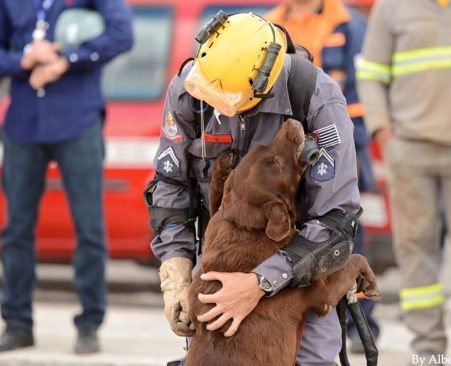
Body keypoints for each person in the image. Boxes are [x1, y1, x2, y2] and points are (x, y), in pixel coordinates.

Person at [148, 11, 362, 366]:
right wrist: (176, 273)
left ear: (263, 82)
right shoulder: (192, 89)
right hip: (221, 263)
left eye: (229, 101)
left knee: (313, 361)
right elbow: (170, 184)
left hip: (301, 268)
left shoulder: (316, 98)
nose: (220, 107)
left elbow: (336, 221)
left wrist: (259, 284)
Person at [357, 0, 451, 364]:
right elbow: (369, 72)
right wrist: (384, 135)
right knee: (416, 251)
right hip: (409, 152)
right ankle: (427, 352)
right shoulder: (392, 7)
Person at [0, 0, 133, 354]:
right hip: (22, 125)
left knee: (89, 227)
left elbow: (122, 34)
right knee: (15, 230)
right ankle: (17, 322)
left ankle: (89, 322)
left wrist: (66, 60)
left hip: (78, 122)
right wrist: (23, 60)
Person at [266, 0, 380, 353]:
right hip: (287, 154)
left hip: (338, 146)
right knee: (297, 237)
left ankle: (362, 320)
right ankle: (305, 318)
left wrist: (352, 154)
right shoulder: (269, 24)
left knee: (344, 235)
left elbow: (361, 95)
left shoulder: (349, 25)